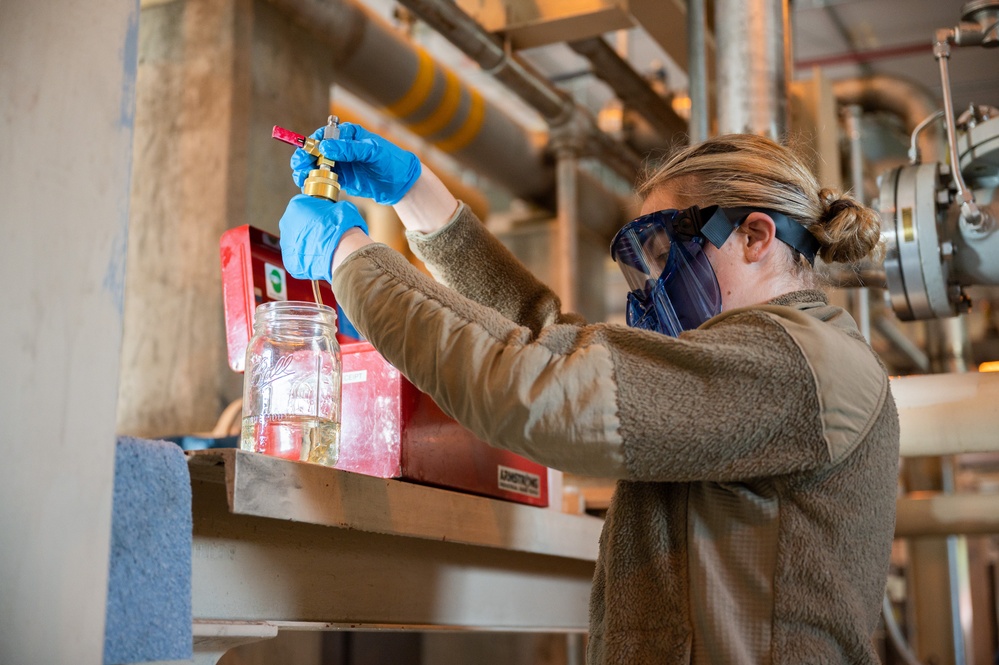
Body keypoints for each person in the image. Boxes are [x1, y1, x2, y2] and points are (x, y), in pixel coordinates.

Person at [278, 124, 899, 665]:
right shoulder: (762, 354)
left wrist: (350, 258)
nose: (651, 287)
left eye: (662, 255)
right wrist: (418, 195)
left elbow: (537, 388)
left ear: (755, 236)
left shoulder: (796, 362)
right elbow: (551, 339)